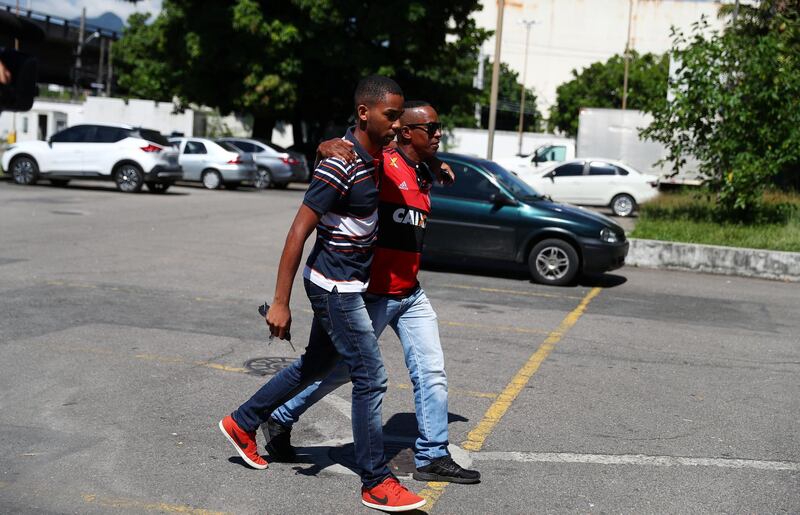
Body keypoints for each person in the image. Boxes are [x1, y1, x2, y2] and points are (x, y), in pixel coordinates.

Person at [219, 75, 426, 512]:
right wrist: (280, 301)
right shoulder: (341, 163)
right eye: (391, 116)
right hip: (334, 287)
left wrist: (436, 167)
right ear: (364, 113)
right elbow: (298, 230)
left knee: (317, 362)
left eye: (400, 117)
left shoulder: (377, 152)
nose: (397, 124)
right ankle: (375, 480)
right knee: (371, 376)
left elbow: (407, 152)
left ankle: (243, 421)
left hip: (347, 282)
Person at [265, 101, 481, 485]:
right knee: (343, 371)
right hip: (372, 294)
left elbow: (424, 166)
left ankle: (432, 455)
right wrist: (322, 145)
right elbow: (349, 151)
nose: (438, 134)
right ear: (406, 132)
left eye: (438, 127)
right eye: (431, 128)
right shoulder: (383, 163)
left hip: (411, 294)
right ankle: (280, 416)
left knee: (432, 372)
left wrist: (433, 164)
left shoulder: (424, 171)